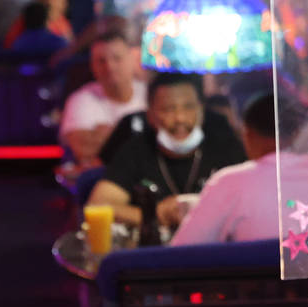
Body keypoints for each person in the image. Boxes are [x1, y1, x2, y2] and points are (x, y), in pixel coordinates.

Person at [172, 93, 308, 245]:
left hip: (264, 297)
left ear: (247, 135)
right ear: (296, 133)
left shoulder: (229, 182)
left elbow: (182, 252)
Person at [87, 72, 246, 229]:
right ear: (150, 115)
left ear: (201, 110)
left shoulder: (225, 145)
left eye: (188, 107)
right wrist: (154, 214)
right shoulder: (136, 150)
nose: (180, 118)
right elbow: (98, 206)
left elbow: (253, 197)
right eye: (168, 109)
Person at [58, 28, 146, 168]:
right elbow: (82, 150)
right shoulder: (80, 100)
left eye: (117, 58)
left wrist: (108, 136)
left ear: (132, 59)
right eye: (101, 61)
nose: (109, 66)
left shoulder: (150, 95)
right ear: (92, 65)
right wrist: (137, 137)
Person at [2, 0, 72, 48]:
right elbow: (10, 45)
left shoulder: (63, 23)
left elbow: (70, 45)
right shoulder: (27, 20)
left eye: (62, 0)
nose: (61, 4)